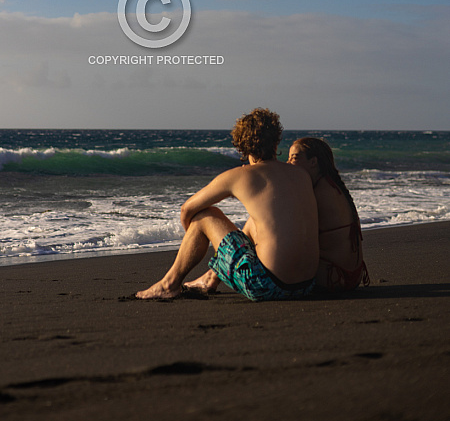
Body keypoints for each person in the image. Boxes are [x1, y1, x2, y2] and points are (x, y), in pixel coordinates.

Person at [136, 108, 319, 302]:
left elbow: (187, 209)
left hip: (267, 286)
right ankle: (210, 278)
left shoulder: (240, 176)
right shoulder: (300, 174)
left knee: (204, 216)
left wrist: (195, 236)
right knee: (259, 220)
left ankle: (169, 285)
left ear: (242, 145)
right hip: (307, 285)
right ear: (276, 141)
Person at [287, 137, 369, 290]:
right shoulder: (333, 187)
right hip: (352, 276)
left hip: (331, 279)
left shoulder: (317, 193)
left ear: (313, 162)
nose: (288, 163)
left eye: (294, 158)